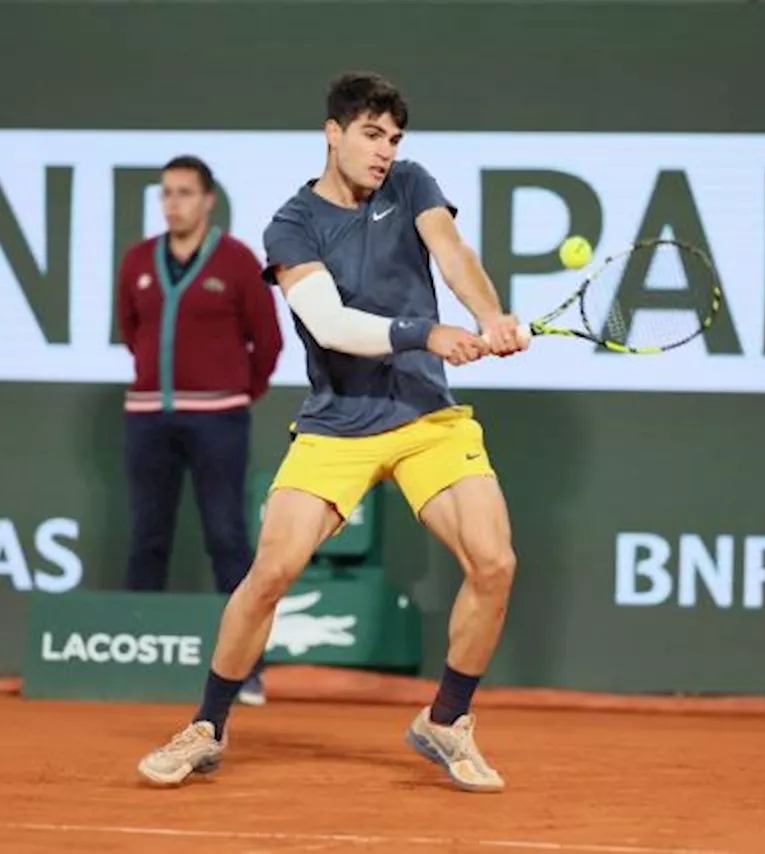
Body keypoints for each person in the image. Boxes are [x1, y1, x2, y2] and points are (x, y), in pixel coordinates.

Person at [135, 72, 527, 793]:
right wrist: (428, 332)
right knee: (270, 575)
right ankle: (207, 726)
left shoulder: (410, 185)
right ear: (334, 133)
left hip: (425, 418)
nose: (385, 151)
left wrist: (490, 315)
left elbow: (452, 254)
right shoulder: (291, 224)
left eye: (394, 138)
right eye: (372, 135)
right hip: (337, 424)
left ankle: (446, 719)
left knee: (495, 563)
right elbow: (331, 325)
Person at [116, 154, 283, 706]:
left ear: (209, 200)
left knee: (227, 539)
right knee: (147, 536)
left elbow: (269, 342)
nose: (173, 203)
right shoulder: (138, 260)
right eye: (166, 193)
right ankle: (134, 658)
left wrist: (236, 393)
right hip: (147, 417)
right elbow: (130, 329)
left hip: (219, 417)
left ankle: (247, 672)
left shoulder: (237, 262)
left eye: (185, 193)